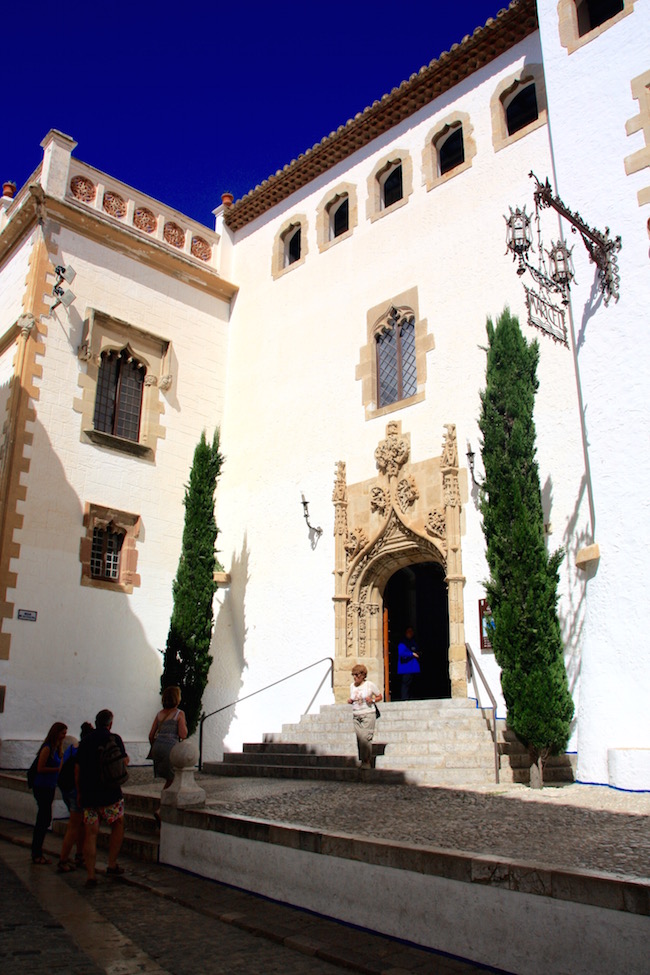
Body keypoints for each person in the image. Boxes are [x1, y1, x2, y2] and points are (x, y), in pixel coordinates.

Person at [75, 709, 129, 887]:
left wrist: (80, 792)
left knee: (91, 833)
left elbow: (78, 769)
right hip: (110, 793)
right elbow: (123, 761)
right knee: (118, 823)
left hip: (89, 794)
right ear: (110, 723)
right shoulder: (114, 739)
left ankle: (91, 875)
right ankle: (111, 863)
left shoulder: (85, 741)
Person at [57, 721, 93, 872]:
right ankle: (63, 860)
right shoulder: (86, 751)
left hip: (66, 789)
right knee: (74, 825)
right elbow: (80, 773)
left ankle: (79, 855)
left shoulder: (71, 749)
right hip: (77, 792)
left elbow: (61, 768)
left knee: (81, 824)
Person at [149, 685, 188, 824]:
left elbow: (151, 734)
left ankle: (166, 804)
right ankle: (162, 808)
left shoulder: (159, 714)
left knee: (169, 778)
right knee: (172, 779)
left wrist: (155, 746)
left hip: (157, 747)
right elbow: (183, 734)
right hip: (170, 748)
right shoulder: (179, 714)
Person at [31, 722, 67, 864]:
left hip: (50, 786)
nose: (64, 736)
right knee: (43, 819)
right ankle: (36, 853)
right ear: (56, 733)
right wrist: (57, 770)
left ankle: (37, 850)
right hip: (42, 787)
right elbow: (40, 768)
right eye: (63, 733)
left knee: (45, 818)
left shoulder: (57, 748)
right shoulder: (47, 748)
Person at [347, 664, 382, 769]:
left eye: (357, 675)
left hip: (368, 713)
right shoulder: (352, 686)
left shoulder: (369, 685)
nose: (355, 677)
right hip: (356, 715)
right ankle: (363, 760)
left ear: (363, 675)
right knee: (359, 739)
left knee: (365, 738)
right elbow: (354, 698)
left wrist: (373, 700)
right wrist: (350, 701)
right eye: (353, 675)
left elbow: (380, 696)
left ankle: (366, 761)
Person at [397, 626, 420, 701]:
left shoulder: (413, 642)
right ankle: (405, 699)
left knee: (413, 685)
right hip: (406, 668)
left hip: (413, 668)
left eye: (411, 632)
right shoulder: (402, 643)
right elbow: (401, 653)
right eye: (409, 632)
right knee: (405, 685)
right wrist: (412, 654)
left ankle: (412, 698)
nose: (411, 633)